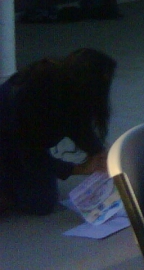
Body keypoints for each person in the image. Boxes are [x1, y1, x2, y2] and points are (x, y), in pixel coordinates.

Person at [0, 48, 116, 216]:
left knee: (42, 199)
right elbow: (31, 155)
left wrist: (98, 152)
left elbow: (78, 125)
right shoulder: (31, 97)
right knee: (38, 203)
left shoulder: (68, 89)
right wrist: (77, 169)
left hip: (24, 143)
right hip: (8, 142)